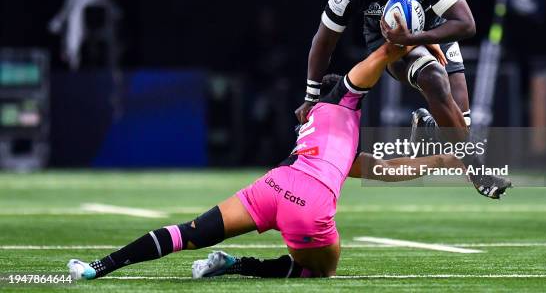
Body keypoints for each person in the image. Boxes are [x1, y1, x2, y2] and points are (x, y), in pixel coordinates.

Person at [67, 39, 461, 280]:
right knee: (321, 271)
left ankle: (98, 267)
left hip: (275, 184)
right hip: (311, 200)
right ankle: (238, 264)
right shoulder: (344, 100)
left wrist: (439, 162)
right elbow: (387, 51)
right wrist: (429, 43)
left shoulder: (320, 130)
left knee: (188, 232)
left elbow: (382, 169)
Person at [294, 0, 510, 198]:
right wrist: (311, 96)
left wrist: (417, 39)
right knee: (434, 78)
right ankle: (479, 173)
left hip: (434, 30)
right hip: (386, 40)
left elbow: (467, 24)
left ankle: (427, 126)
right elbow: (324, 40)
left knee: (460, 126)